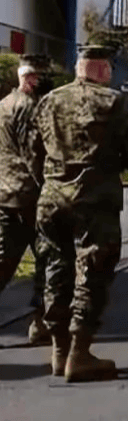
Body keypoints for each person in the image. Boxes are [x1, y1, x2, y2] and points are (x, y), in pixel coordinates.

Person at [25, 43, 128, 381]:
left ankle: (58, 350)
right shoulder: (114, 102)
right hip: (95, 199)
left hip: (52, 197)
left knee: (55, 269)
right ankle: (79, 350)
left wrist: (51, 181)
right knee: (93, 270)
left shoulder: (48, 101)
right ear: (104, 69)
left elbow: (34, 154)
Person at [0, 54, 54, 344]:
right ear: (28, 78)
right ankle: (40, 322)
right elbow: (34, 155)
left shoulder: (3, 105)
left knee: (5, 261)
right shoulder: (28, 108)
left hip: (6, 193)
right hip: (30, 195)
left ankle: (41, 323)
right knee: (48, 259)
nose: (40, 81)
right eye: (37, 76)